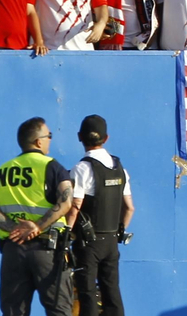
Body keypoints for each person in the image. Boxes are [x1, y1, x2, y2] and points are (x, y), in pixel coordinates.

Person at [0, 118, 72, 316]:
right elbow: (66, 201)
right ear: (38, 142)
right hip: (47, 249)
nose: (50, 140)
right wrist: (37, 227)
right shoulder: (52, 167)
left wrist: (13, 228)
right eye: (49, 136)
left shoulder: (0, 172)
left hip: (13, 250)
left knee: (14, 311)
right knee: (59, 309)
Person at [66, 114, 131, 316]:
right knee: (112, 291)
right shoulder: (120, 169)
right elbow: (129, 207)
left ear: (80, 137)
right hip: (111, 240)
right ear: (106, 138)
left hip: (88, 243)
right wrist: (120, 231)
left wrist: (66, 232)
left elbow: (75, 205)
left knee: (87, 293)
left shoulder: (82, 168)